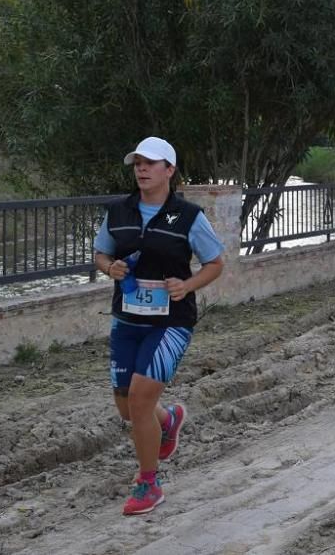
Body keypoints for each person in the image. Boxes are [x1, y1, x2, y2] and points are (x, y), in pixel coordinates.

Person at [93, 136, 224, 516]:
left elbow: (215, 263)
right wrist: (109, 267)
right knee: (126, 408)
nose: (141, 169)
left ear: (169, 170)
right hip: (127, 320)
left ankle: (148, 483)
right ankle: (169, 421)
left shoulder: (188, 216)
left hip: (171, 322)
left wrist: (187, 285)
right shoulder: (118, 212)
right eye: (137, 163)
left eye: (150, 163)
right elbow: (101, 253)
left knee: (139, 400)